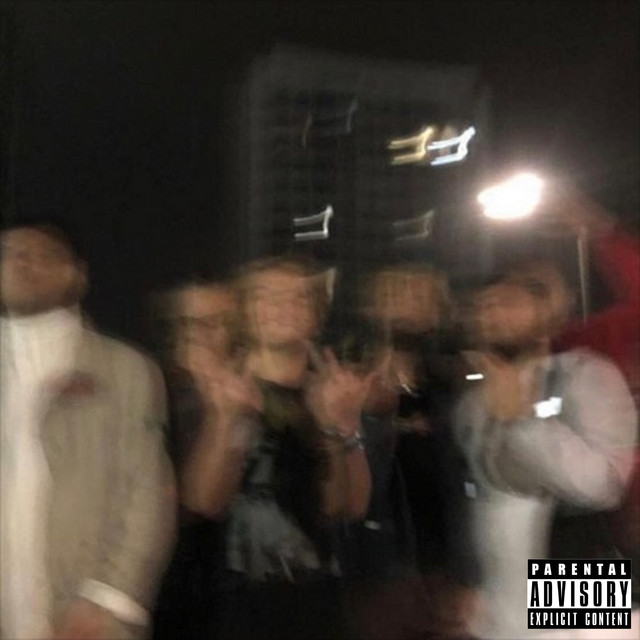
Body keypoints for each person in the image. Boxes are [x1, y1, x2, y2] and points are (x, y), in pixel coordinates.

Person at [179, 257, 374, 640]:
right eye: (265, 296)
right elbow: (204, 503)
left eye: (299, 297)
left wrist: (343, 424)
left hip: (318, 596)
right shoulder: (215, 385)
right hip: (231, 601)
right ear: (242, 311)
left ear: (316, 315)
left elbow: (348, 507)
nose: (284, 306)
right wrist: (226, 420)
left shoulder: (331, 390)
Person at [0, 220, 176, 640]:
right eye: (9, 252)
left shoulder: (123, 369)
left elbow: (148, 491)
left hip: (82, 613)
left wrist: (110, 600)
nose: (22, 262)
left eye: (44, 254)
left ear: (78, 276)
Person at [455, 267, 638, 639]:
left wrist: (523, 421)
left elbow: (605, 485)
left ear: (547, 316)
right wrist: (470, 578)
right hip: (499, 604)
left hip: (578, 584)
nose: (492, 314)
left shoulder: (586, 374)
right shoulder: (472, 404)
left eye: (508, 302)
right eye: (483, 306)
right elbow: (474, 494)